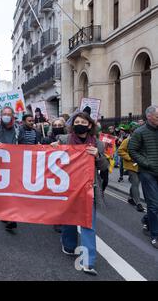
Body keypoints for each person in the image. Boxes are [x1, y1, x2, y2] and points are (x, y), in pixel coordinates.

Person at [53, 112, 109, 276]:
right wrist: (53, 148)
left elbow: (105, 167)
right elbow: (50, 157)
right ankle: (69, 245)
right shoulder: (64, 140)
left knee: (88, 224)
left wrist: (97, 156)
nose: (79, 124)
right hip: (68, 188)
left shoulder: (98, 144)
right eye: (76, 121)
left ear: (89, 125)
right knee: (69, 220)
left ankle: (88, 262)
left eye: (83, 121)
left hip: (88, 188)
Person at [128, 105, 158, 249]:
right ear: (149, 117)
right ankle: (155, 236)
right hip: (148, 173)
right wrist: (147, 163)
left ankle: (147, 220)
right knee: (153, 204)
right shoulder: (140, 132)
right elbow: (132, 150)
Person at [118, 122, 144, 212]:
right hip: (130, 166)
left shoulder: (142, 141)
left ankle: (130, 197)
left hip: (140, 166)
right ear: (132, 132)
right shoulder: (127, 141)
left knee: (135, 184)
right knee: (136, 183)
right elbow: (120, 151)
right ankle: (138, 203)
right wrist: (130, 158)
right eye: (134, 131)